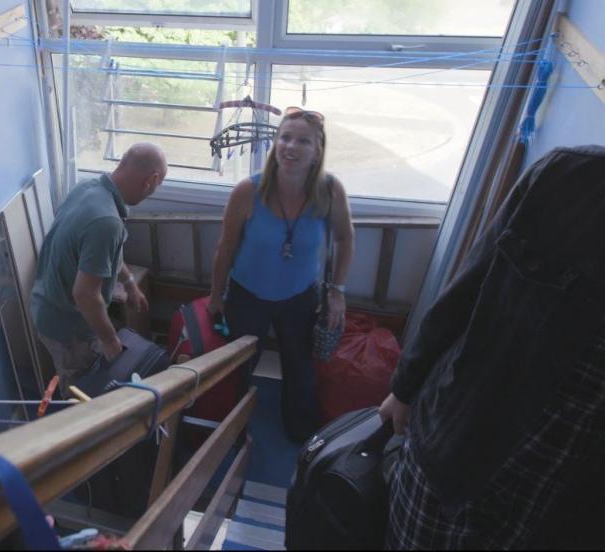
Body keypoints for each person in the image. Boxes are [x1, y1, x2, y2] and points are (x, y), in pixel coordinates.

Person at [379, 145, 605, 549]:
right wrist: (405, 387)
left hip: (561, 515)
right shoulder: (567, 177)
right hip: (453, 463)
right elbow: (465, 289)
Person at [207, 107, 354, 443]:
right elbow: (225, 248)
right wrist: (216, 295)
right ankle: (232, 429)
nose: (291, 147)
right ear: (275, 143)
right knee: (238, 368)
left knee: (300, 371)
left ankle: (300, 435)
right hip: (247, 296)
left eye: (303, 141)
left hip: (300, 298)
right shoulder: (247, 191)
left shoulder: (330, 191)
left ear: (318, 150)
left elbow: (346, 238)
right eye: (285, 137)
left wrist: (337, 291)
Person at [31, 143, 167, 397]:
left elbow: (103, 255)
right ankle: (78, 432)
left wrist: (129, 284)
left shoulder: (88, 189)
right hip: (67, 328)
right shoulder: (106, 222)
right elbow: (85, 294)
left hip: (47, 304)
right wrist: (110, 341)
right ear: (151, 180)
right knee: (81, 394)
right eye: (157, 187)